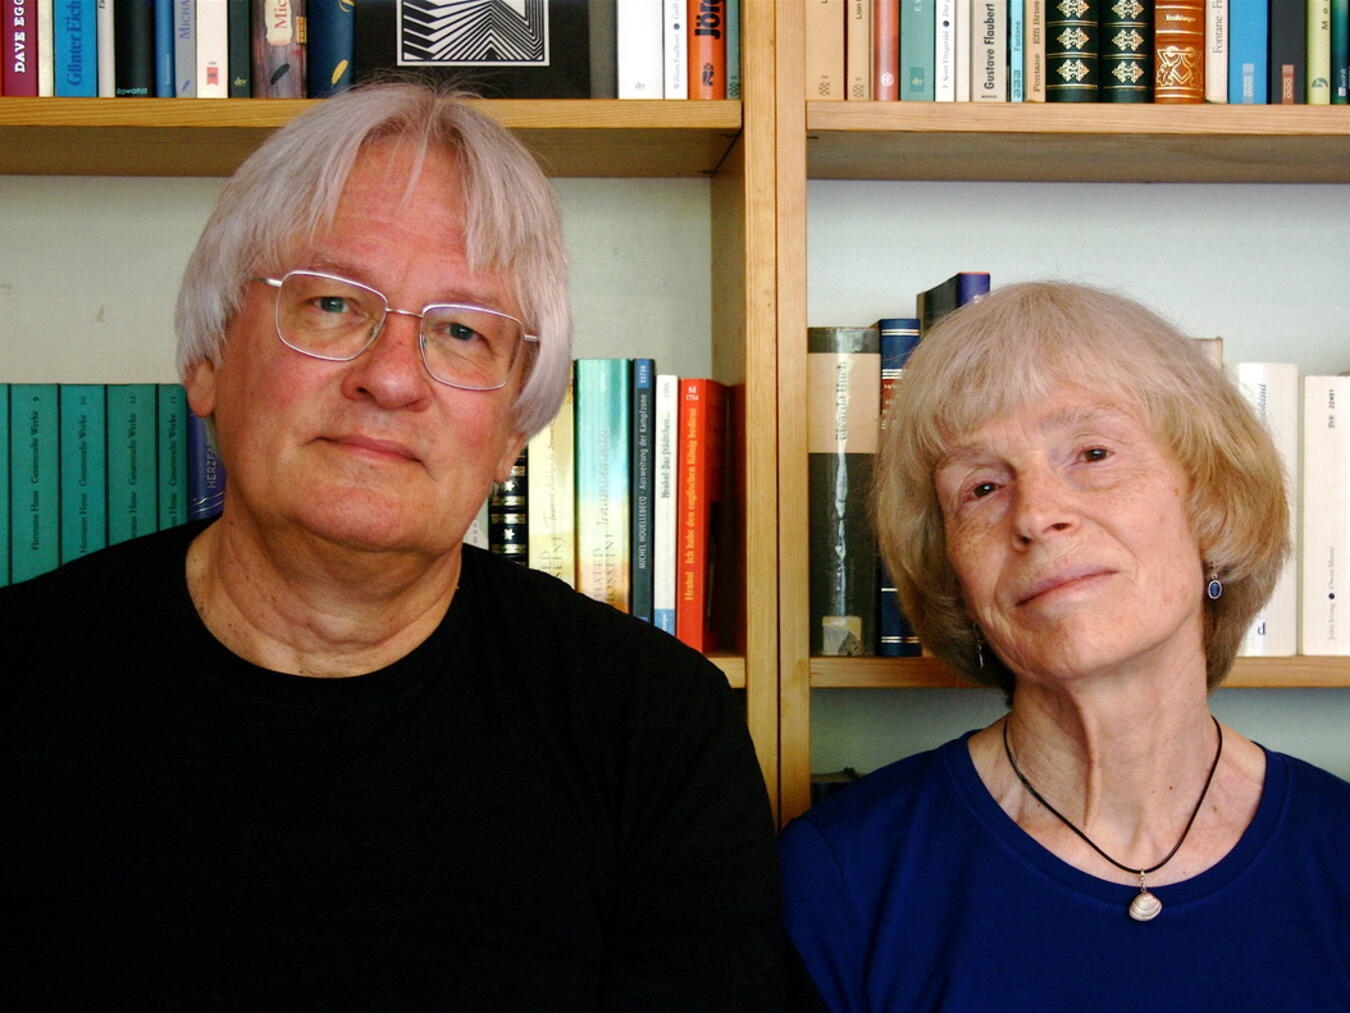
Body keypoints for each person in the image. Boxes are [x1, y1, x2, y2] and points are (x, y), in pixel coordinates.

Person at [0, 83, 782, 1008]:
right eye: (332, 303)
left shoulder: (657, 731)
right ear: (207, 358)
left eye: (461, 331)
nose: (392, 378)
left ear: (514, 431)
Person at [779, 281, 1350, 1011]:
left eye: (1092, 452)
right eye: (982, 488)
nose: (1037, 514)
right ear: (952, 572)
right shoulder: (843, 874)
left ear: (1210, 506)